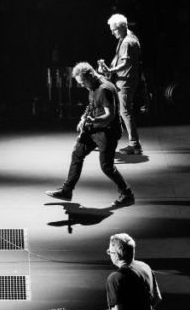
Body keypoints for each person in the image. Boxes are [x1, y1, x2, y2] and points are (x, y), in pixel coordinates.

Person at [45, 63, 135, 208]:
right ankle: (67, 191)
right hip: (94, 128)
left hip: (108, 132)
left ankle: (127, 194)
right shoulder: (92, 86)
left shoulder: (105, 89)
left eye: (83, 82)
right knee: (77, 154)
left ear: (91, 75)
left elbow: (110, 115)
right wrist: (83, 118)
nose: (82, 86)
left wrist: (95, 120)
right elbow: (92, 105)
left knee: (107, 167)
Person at [98, 14, 143, 155]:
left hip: (125, 81)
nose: (112, 32)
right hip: (126, 80)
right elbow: (123, 60)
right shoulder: (130, 38)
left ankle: (134, 144)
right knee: (122, 111)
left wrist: (110, 70)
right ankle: (125, 142)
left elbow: (125, 63)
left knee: (124, 111)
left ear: (123, 27)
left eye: (114, 29)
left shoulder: (126, 42)